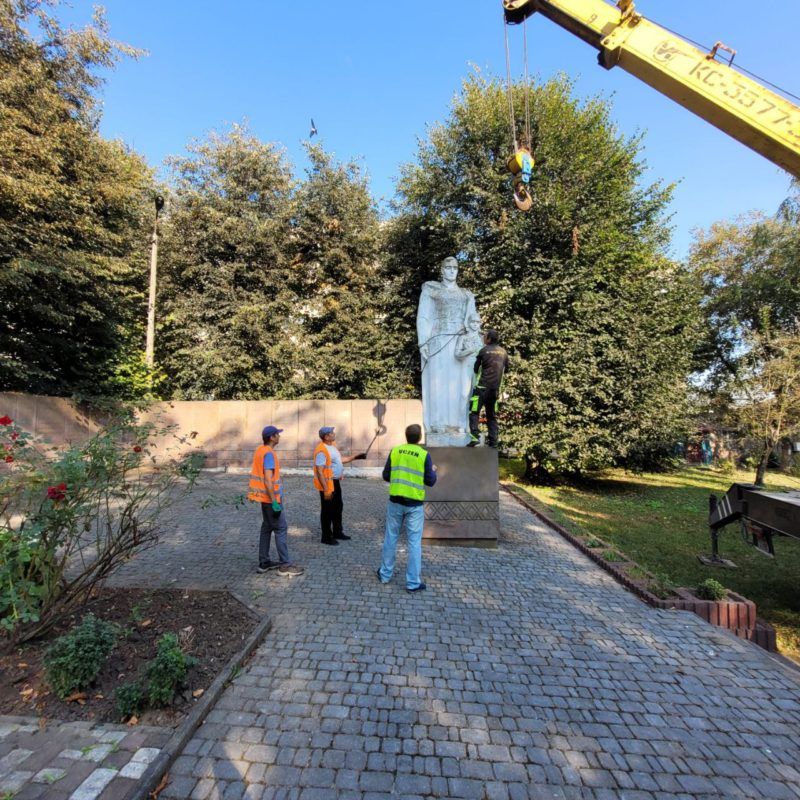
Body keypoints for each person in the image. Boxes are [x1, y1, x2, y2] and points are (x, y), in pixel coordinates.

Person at [417, 256, 481, 446]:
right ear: (442, 270)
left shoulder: (466, 295)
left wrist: (474, 345)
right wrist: (423, 342)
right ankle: (437, 423)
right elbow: (424, 317)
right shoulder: (431, 291)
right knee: (437, 383)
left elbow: (473, 321)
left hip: (460, 344)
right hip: (438, 340)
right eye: (448, 267)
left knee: (461, 386)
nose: (452, 270)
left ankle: (459, 424)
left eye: (455, 267)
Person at [377, 424, 437, 593]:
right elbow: (431, 481)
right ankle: (412, 583)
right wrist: (433, 471)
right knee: (414, 543)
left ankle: (385, 575)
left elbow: (386, 476)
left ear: (406, 435)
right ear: (419, 438)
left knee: (391, 538)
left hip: (395, 502)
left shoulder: (395, 451)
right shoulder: (424, 455)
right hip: (414, 506)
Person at [247, 425, 304, 577]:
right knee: (280, 529)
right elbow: (267, 479)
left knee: (266, 528)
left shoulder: (260, 450)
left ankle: (264, 562)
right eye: (277, 434)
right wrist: (274, 502)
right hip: (270, 499)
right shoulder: (269, 454)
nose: (280, 436)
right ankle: (285, 566)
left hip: (263, 498)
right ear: (272, 437)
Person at [313, 426, 366, 546]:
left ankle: (337, 532)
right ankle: (326, 537)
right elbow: (319, 471)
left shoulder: (332, 447)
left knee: (338, 508)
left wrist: (356, 457)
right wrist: (326, 489)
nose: (334, 433)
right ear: (326, 436)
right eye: (331, 433)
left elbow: (340, 460)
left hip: (335, 482)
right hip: (328, 484)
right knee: (327, 511)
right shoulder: (321, 450)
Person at [468, 329, 509, 448]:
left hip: (481, 388)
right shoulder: (503, 352)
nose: (483, 338)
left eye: (485, 336)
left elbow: (476, 369)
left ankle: (475, 437)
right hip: (494, 390)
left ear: (489, 339)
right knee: (491, 415)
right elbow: (507, 369)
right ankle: (493, 442)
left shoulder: (483, 351)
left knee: (474, 412)